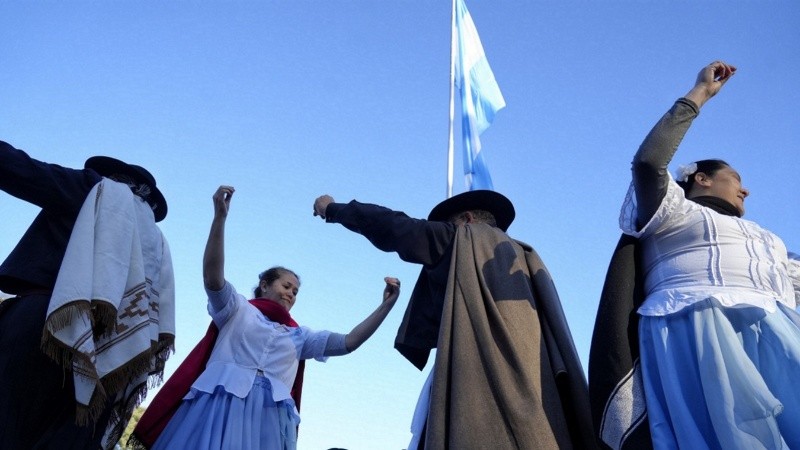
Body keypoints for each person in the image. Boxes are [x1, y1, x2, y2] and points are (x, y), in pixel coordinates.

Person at [591, 61, 800, 450]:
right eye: (736, 178)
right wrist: (700, 92)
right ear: (701, 179)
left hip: (779, 334)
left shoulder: (769, 240)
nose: (746, 190)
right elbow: (649, 162)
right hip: (701, 330)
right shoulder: (673, 213)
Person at [313, 190, 595, 450]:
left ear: (467, 220)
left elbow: (394, 227)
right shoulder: (527, 257)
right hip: (541, 394)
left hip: (484, 386)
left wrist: (333, 209)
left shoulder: (463, 239)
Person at [131, 185, 400, 450]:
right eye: (286, 286)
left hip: (267, 426)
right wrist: (219, 219)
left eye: (296, 292)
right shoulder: (237, 310)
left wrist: (385, 306)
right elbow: (213, 278)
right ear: (264, 284)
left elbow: (350, 342)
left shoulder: (300, 337)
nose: (291, 294)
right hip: (216, 413)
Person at [0, 140, 175, 450]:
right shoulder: (157, 243)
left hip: (44, 322)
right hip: (113, 356)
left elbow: (22, 170)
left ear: (112, 177)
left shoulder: (95, 190)